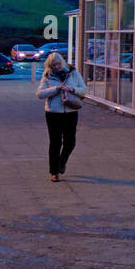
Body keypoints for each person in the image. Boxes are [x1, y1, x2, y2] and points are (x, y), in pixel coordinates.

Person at [37, 52, 83, 182]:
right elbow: (40, 94)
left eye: (58, 64)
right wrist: (56, 89)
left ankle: (62, 162)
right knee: (55, 142)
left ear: (62, 62)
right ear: (49, 66)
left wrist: (72, 89)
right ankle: (54, 171)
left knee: (70, 141)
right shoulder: (47, 76)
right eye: (53, 65)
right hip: (53, 113)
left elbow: (83, 89)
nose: (56, 67)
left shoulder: (73, 73)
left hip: (71, 111)